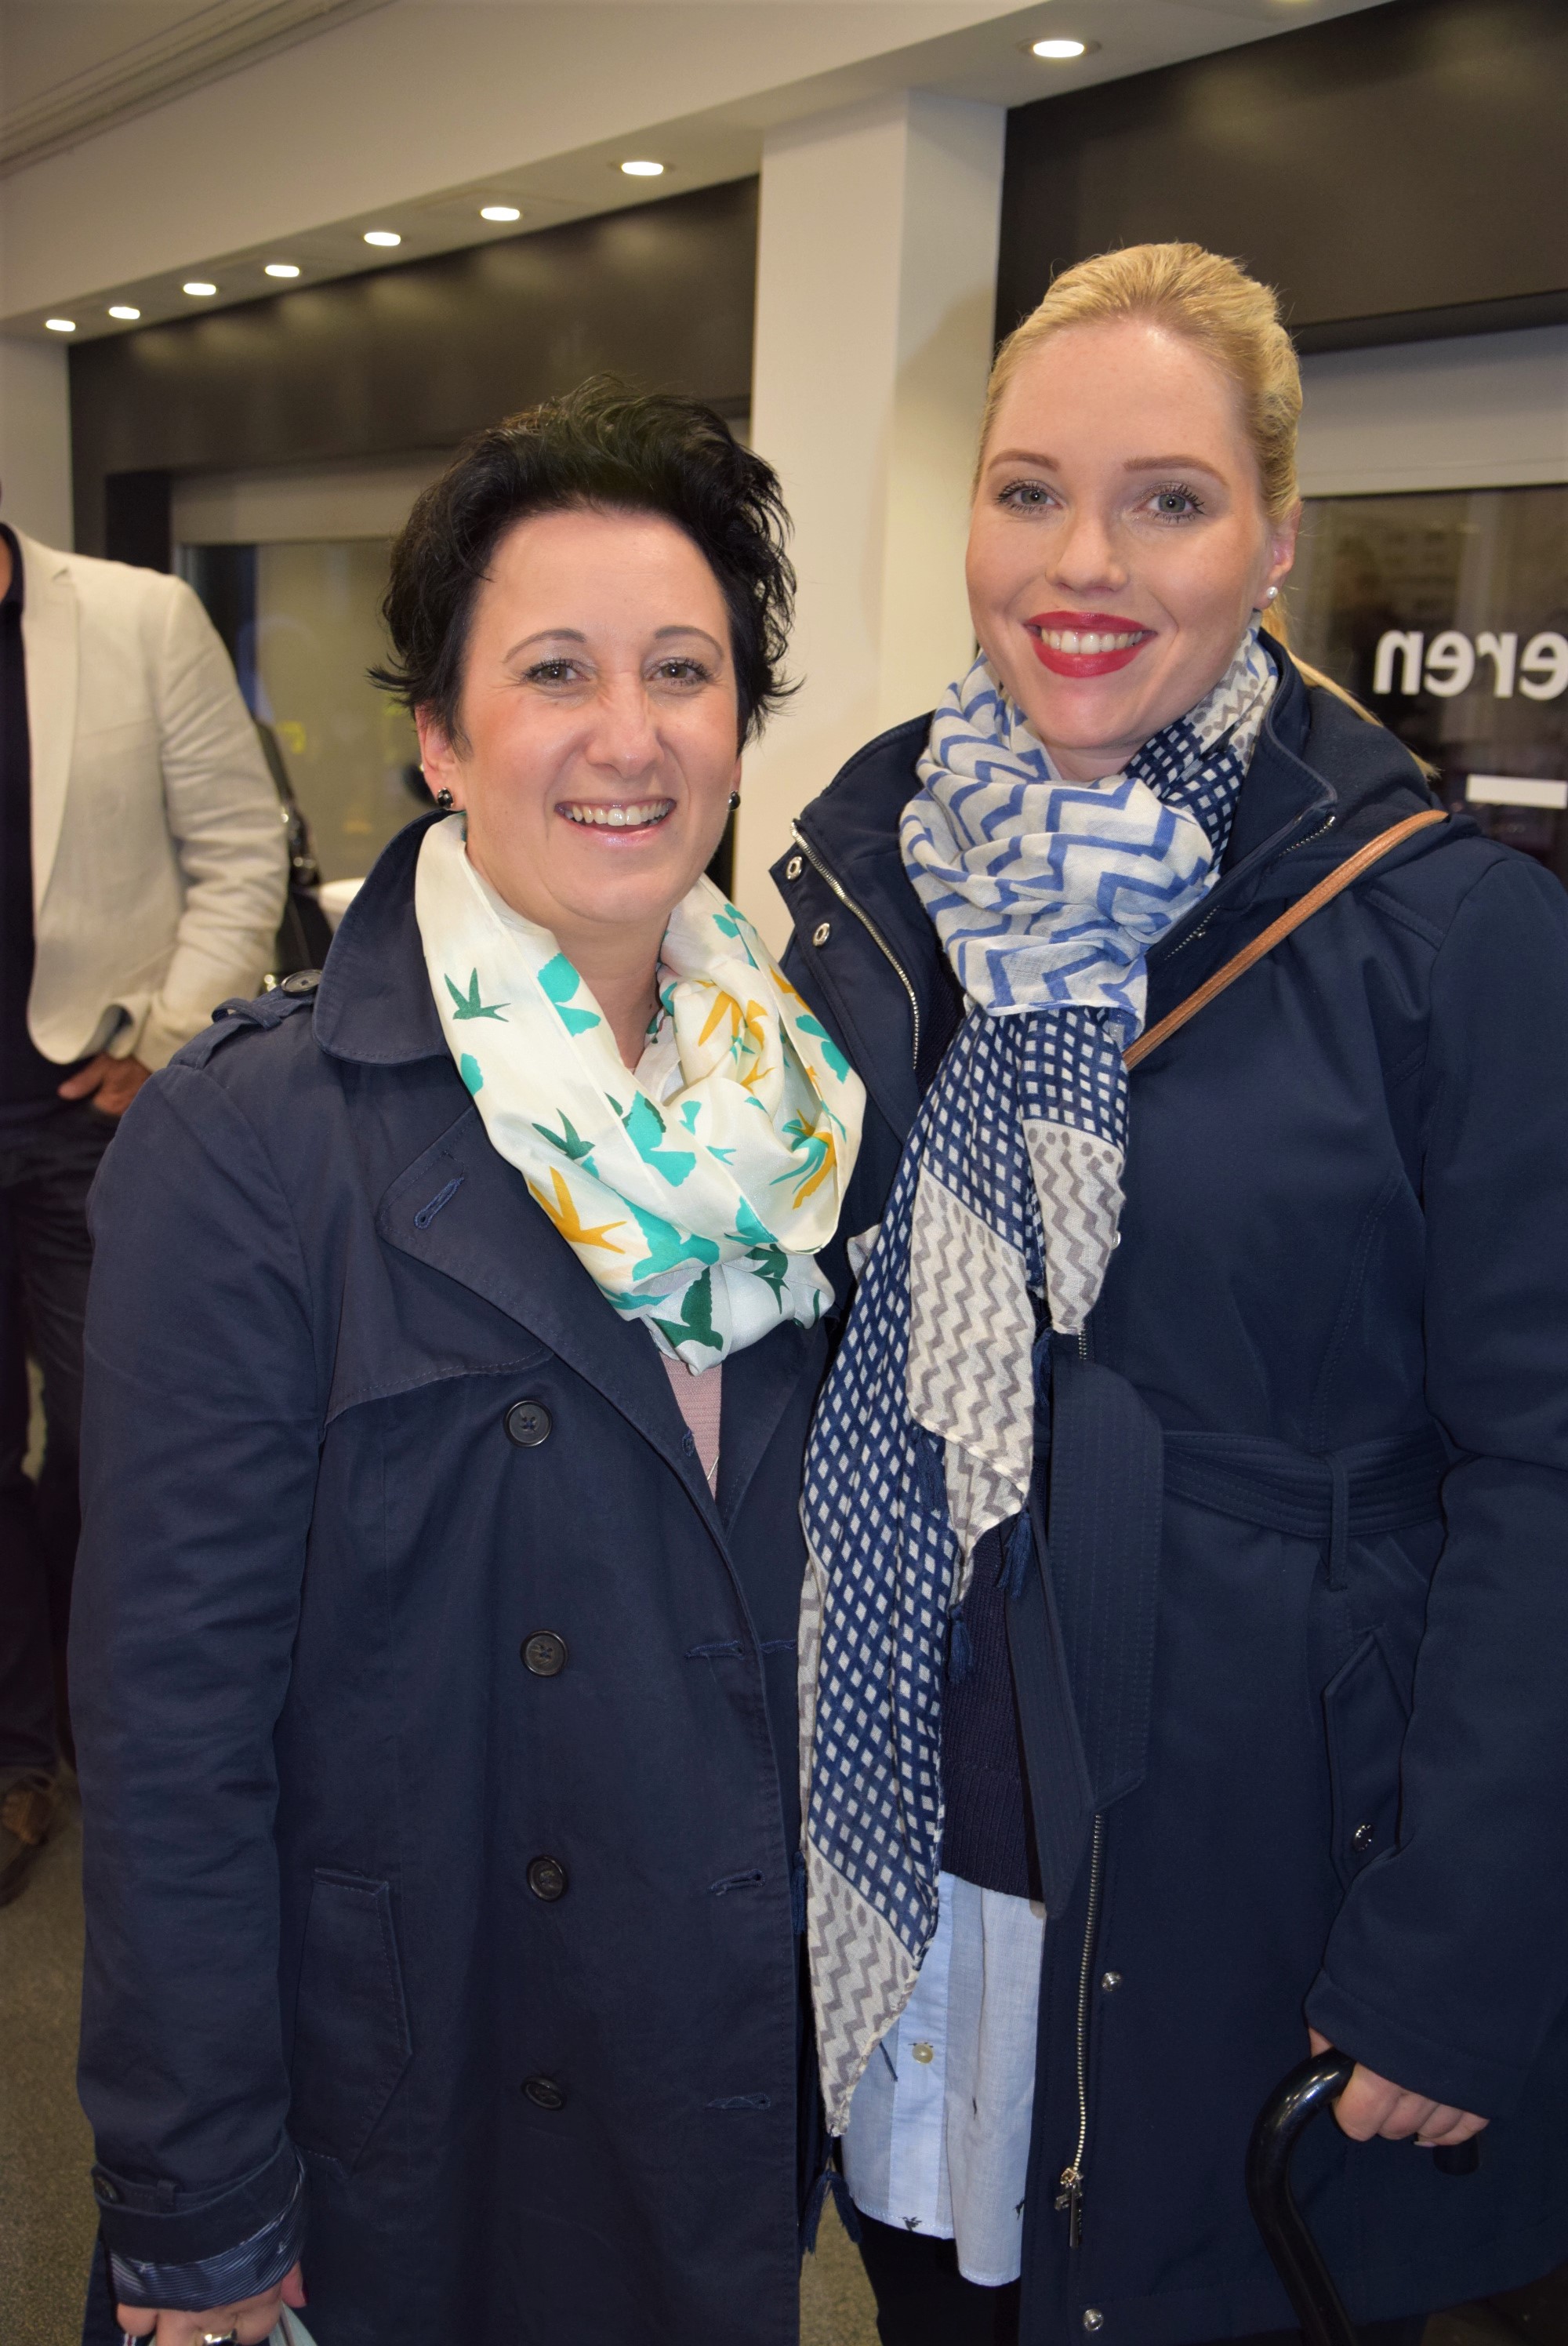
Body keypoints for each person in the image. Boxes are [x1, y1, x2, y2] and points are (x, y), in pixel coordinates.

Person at [779, 245, 1568, 2345]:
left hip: (1238, 1888)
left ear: (1276, 540)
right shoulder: (874, 883)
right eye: (1029, 491)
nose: (1084, 563)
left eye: (1169, 500)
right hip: (909, 1833)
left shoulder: (1448, 941)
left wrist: (1461, 1950)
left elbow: (1547, 1472)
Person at [70, 382, 863, 2346]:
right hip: (407, 2081)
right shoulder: (254, 1140)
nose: (628, 733)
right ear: (439, 733)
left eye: (682, 669)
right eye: (554, 670)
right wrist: (197, 2196)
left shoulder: (807, 1111)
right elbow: (171, 1730)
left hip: (697, 2046)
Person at [0, 513, 285, 1907]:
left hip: (88, 1111)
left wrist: (168, 1042)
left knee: (116, 1442)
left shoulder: (134, 617)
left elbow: (240, 850)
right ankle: (17, 1757)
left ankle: (120, 1730)